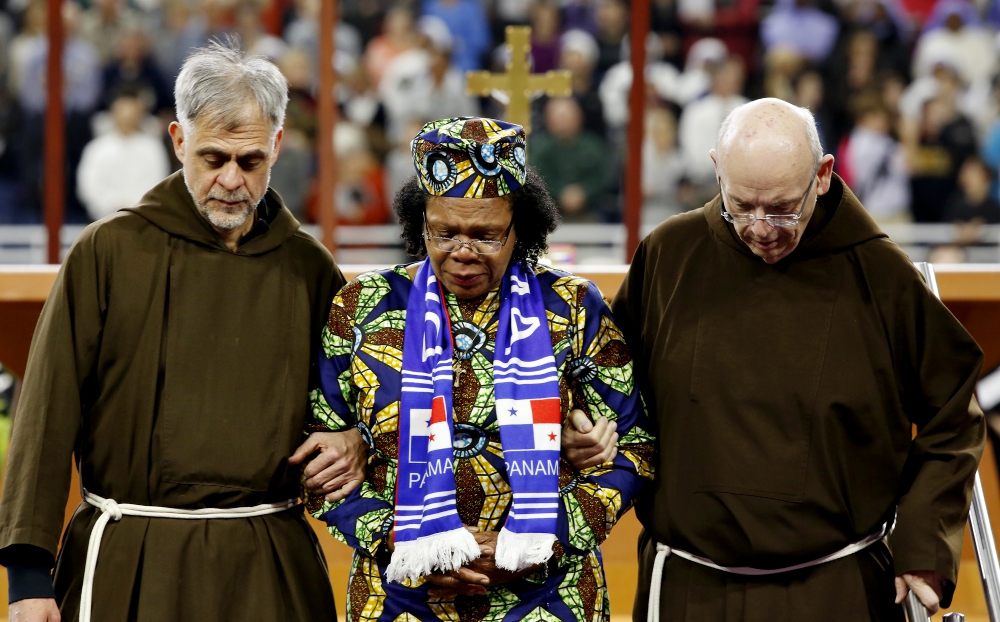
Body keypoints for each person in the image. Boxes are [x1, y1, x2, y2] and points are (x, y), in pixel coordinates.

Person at [0, 40, 366, 622]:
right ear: (178, 141)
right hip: (134, 556)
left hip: (268, 564)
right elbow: (46, 409)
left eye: (250, 163)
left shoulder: (309, 268)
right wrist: (27, 577)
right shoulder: (109, 251)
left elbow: (354, 404)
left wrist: (355, 441)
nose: (231, 181)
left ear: (275, 146)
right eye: (212, 157)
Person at [615, 98, 985, 622]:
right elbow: (610, 390)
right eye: (742, 205)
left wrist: (924, 545)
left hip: (836, 588)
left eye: (783, 208)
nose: (762, 228)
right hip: (688, 586)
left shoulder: (880, 276)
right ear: (718, 169)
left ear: (823, 175)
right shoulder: (669, 257)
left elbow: (954, 418)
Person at [303, 116, 655, 622]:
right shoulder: (362, 308)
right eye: (444, 232)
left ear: (522, 228)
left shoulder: (574, 308)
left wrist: (543, 539)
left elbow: (637, 450)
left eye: (486, 235)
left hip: (548, 595)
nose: (463, 253)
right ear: (417, 220)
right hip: (402, 594)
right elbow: (320, 463)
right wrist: (409, 542)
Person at [76, 87, 171, 221]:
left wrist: (134, 206)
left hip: (143, 219)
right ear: (114, 113)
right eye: (123, 112)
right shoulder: (97, 149)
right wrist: (113, 204)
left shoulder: (152, 148)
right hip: (103, 220)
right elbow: (87, 186)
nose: (127, 118)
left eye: (132, 113)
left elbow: (159, 184)